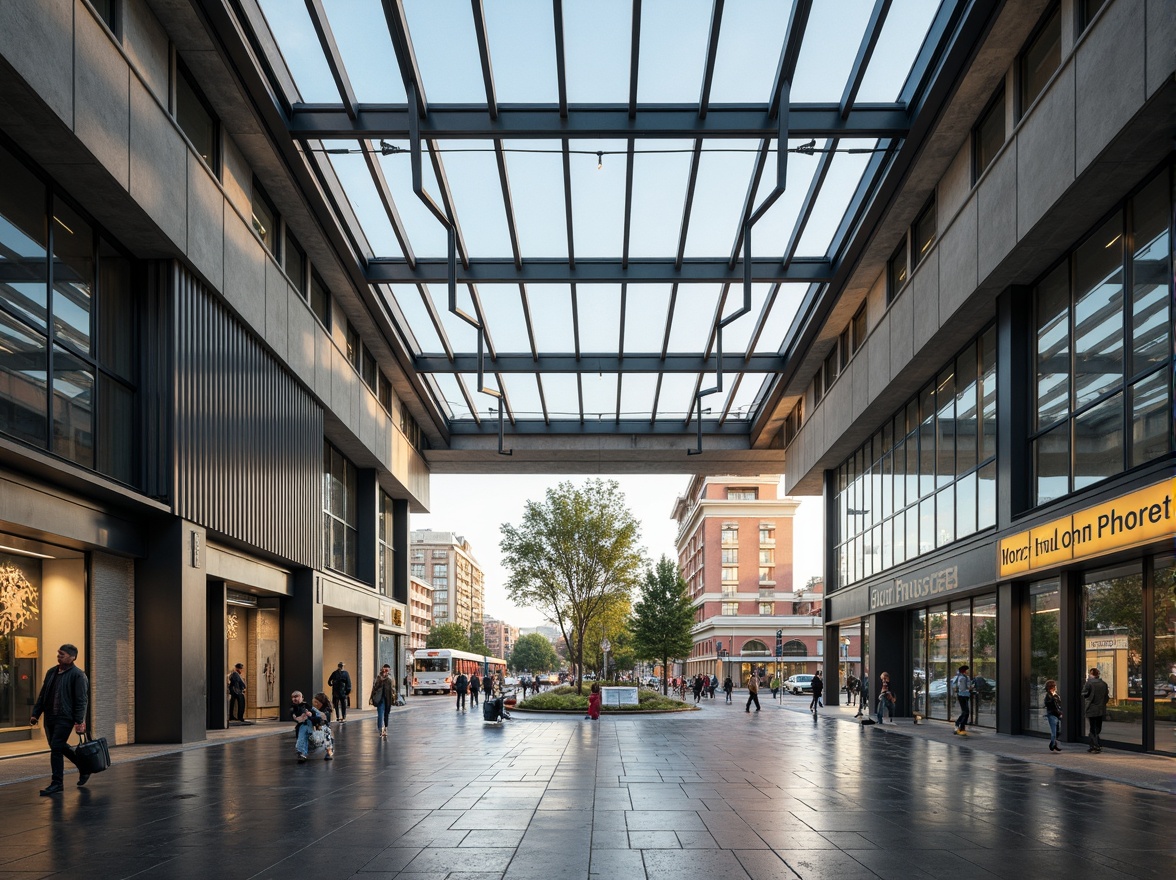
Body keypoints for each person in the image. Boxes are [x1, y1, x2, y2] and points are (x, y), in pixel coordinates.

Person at [30, 644, 90, 795]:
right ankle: (84, 767)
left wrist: (79, 720)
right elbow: (43, 694)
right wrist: (36, 713)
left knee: (56, 748)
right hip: (50, 716)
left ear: (72, 657)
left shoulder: (78, 675)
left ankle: (57, 783)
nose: (59, 657)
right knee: (58, 746)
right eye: (58, 654)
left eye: (62, 655)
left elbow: (81, 700)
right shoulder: (52, 672)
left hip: (65, 717)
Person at [1082, 667, 1109, 753]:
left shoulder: (1089, 684)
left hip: (1091, 708)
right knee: (1097, 727)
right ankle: (1095, 743)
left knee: (1092, 727)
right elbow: (1106, 697)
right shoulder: (1103, 684)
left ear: (1091, 674)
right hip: (1101, 709)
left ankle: (1094, 745)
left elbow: (1084, 693)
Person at [290, 691, 317, 762]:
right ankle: (302, 753)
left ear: (302, 698)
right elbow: (294, 715)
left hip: (308, 724)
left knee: (309, 738)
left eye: (297, 697)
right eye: (293, 697)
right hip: (302, 725)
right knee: (301, 738)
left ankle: (304, 752)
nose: (295, 699)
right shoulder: (293, 707)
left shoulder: (306, 705)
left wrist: (310, 714)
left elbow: (313, 713)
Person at [370, 664, 395, 738]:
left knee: (386, 714)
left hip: (388, 698)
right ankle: (380, 729)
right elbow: (375, 687)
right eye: (385, 669)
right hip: (380, 699)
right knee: (380, 714)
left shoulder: (390, 678)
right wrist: (381, 678)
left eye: (387, 670)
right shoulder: (378, 678)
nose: (386, 671)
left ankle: (385, 728)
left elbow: (393, 688)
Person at [311, 693, 335, 760]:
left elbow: (321, 721)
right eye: (314, 702)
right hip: (317, 730)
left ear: (321, 702)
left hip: (324, 730)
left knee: (326, 733)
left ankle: (329, 751)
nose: (315, 704)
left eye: (316, 702)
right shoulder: (315, 710)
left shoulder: (326, 711)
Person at [953, 665, 974, 735]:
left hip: (964, 695)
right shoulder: (962, 678)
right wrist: (970, 688)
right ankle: (959, 724)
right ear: (964, 671)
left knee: (965, 712)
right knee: (966, 712)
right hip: (963, 696)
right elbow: (962, 688)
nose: (968, 671)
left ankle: (961, 725)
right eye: (967, 670)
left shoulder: (963, 677)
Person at [1044, 680, 1063, 752]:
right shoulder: (1049, 696)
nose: (1055, 687)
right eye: (1054, 686)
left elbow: (1059, 705)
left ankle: (1054, 744)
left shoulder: (1056, 695)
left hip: (1057, 714)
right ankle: (1052, 745)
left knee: (1057, 731)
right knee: (1054, 732)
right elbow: (1051, 705)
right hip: (1052, 714)